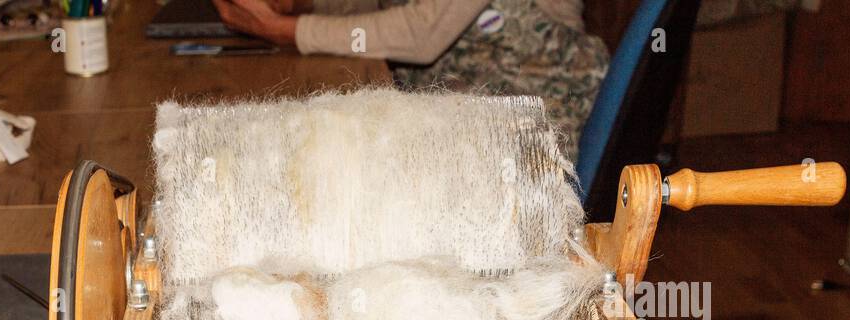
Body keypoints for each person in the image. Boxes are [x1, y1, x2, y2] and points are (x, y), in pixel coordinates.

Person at [209, 0, 609, 157]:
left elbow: (422, 34)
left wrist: (286, 29)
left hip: (523, 125)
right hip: (455, 104)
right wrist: (299, 3)